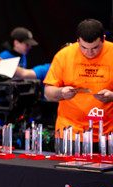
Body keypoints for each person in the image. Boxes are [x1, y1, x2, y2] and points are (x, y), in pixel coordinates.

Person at [44, 18, 113, 146]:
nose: (89, 53)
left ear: (103, 39)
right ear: (77, 41)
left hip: (107, 134)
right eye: (84, 47)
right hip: (69, 133)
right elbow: (48, 93)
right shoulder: (64, 55)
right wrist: (61, 92)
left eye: (95, 48)